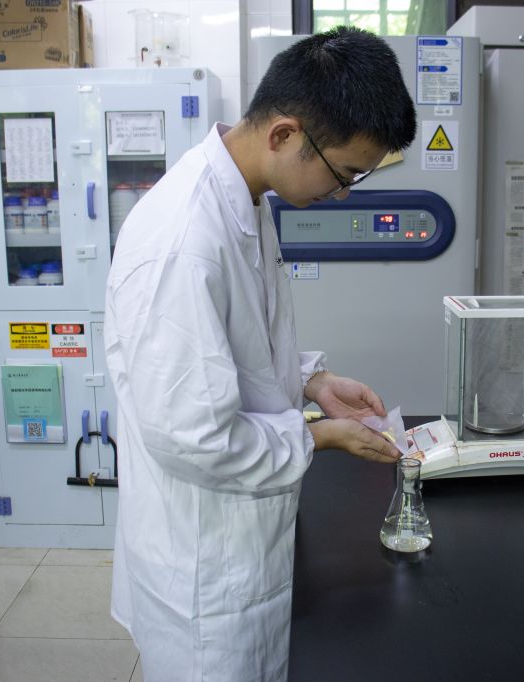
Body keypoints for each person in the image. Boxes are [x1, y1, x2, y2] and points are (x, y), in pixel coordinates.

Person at [104, 26, 416, 682]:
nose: (343, 194)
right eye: (344, 173)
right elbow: (196, 437)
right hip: (204, 570)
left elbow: (236, 339)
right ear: (284, 134)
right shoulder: (183, 241)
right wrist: (320, 436)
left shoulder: (245, 197)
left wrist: (314, 381)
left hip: (242, 540)